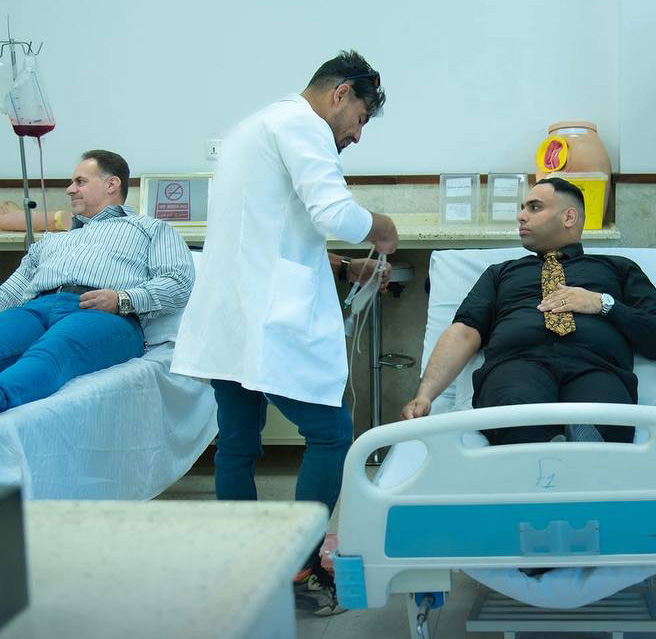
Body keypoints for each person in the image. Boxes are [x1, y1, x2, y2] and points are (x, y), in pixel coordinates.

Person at [170, 50, 398, 615]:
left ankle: (247, 567)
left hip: (229, 313)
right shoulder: (304, 125)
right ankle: (297, 567)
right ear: (340, 94)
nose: (357, 135)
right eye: (361, 119)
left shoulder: (253, 126)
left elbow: (270, 229)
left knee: (237, 441)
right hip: (269, 317)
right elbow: (333, 213)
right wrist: (382, 227)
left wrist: (342, 267)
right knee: (332, 433)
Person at [401, 177, 656, 444]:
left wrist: (602, 304)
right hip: (517, 365)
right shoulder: (502, 273)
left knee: (605, 422)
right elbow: (464, 332)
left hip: (596, 367)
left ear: (569, 217)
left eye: (534, 207)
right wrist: (425, 395)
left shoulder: (617, 268)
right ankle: (554, 451)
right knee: (515, 414)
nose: (521, 216)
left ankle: (566, 449)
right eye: (522, 208)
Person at [0, 149, 194, 412]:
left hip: (102, 312)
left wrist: (121, 299)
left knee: (51, 352)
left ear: (111, 184)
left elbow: (178, 282)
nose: (69, 189)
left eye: (80, 182)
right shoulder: (54, 239)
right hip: (36, 308)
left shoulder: (150, 228)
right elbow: (11, 291)